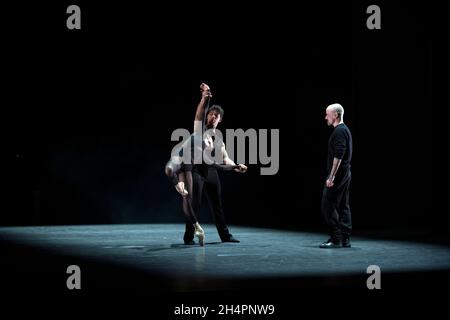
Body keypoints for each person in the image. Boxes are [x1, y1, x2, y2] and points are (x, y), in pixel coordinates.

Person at [165, 83, 247, 246]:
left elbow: (225, 159)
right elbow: (199, 115)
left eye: (216, 116)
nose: (212, 117)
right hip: (196, 171)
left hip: (211, 172)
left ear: (220, 120)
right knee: (194, 203)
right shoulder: (200, 130)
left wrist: (236, 166)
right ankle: (189, 237)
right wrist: (205, 97)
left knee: (217, 205)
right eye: (210, 114)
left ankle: (225, 236)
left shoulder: (219, 140)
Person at [320, 103, 353, 248]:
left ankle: (336, 238)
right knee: (343, 204)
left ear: (335, 115)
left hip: (338, 174)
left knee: (327, 204)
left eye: (327, 114)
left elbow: (338, 155)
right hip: (345, 172)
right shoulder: (345, 130)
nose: (325, 117)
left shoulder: (339, 131)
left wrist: (332, 176)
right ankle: (345, 239)